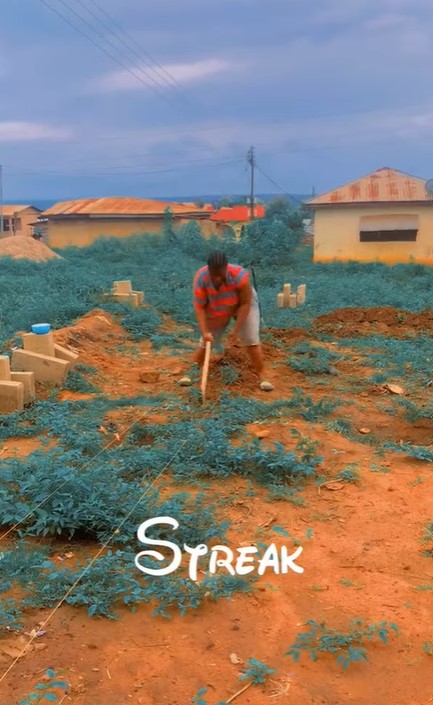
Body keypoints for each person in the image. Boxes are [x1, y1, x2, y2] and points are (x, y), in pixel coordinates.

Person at [179, 250, 273, 391]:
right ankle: (191, 373)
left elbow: (245, 304)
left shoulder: (239, 276)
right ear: (209, 269)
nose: (217, 279)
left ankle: (262, 375)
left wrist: (235, 330)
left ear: (226, 268)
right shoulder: (201, 278)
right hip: (217, 301)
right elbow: (200, 308)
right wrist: (205, 332)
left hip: (243, 303)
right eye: (213, 275)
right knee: (206, 341)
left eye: (220, 274)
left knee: (251, 338)